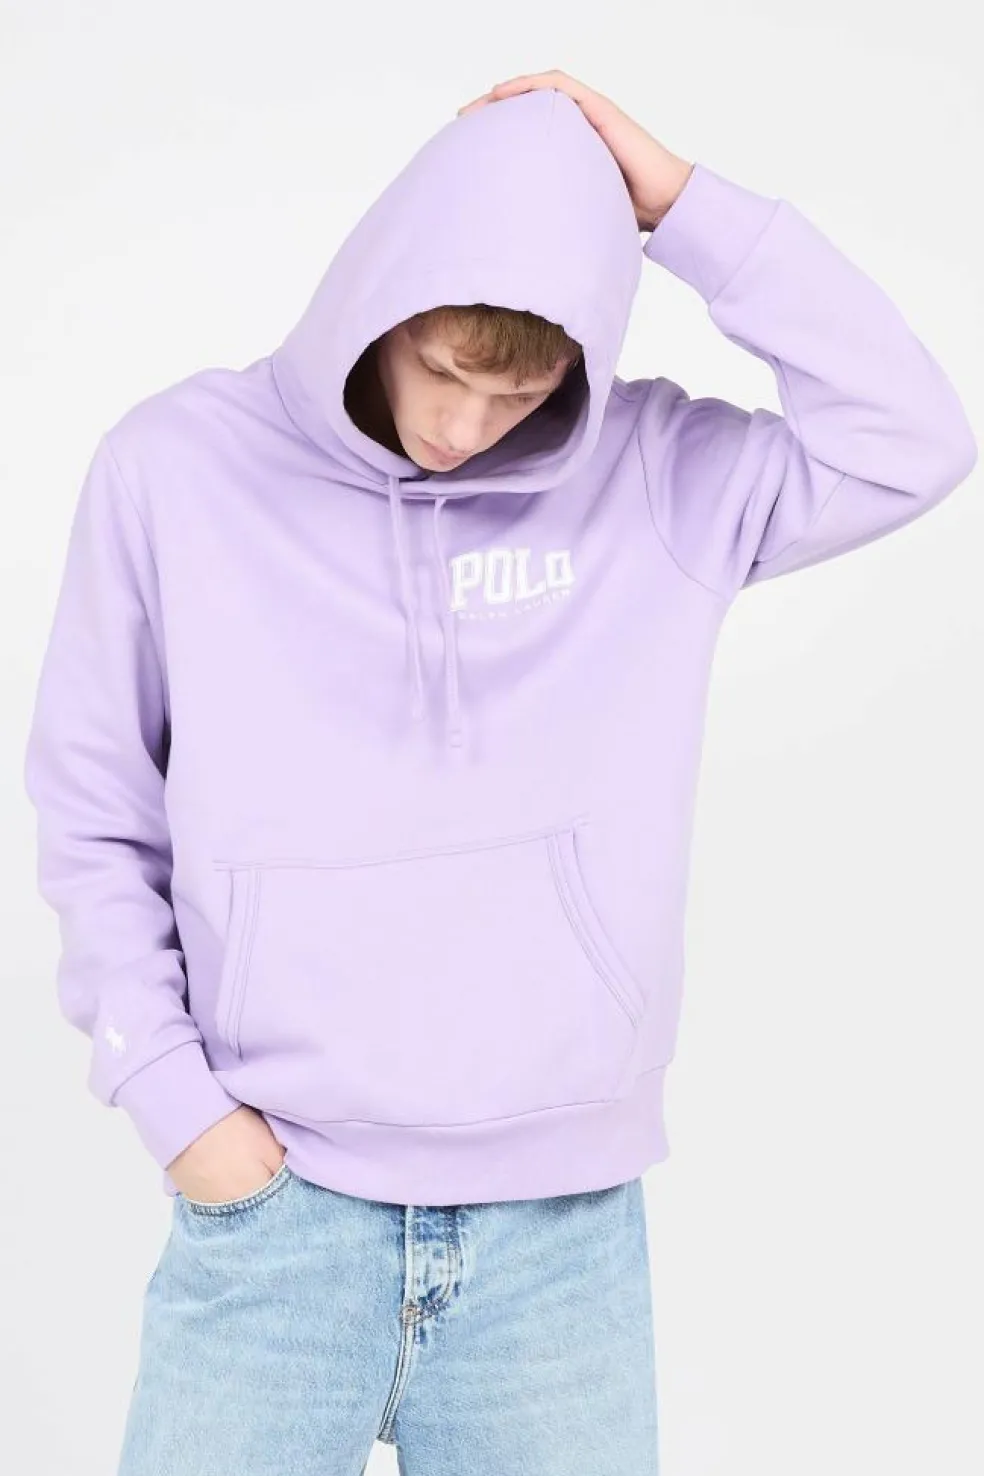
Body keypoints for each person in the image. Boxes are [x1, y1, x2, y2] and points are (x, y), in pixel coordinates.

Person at [22, 70, 975, 1475]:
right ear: (379, 302)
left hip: (559, 1243)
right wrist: (176, 1108)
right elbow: (95, 806)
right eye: (445, 372)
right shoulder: (177, 470)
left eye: (519, 390)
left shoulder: (655, 473)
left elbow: (916, 439)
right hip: (275, 1216)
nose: (465, 429)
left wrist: (679, 204)